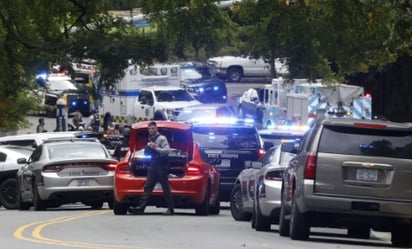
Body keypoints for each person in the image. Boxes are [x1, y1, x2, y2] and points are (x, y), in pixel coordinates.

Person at [128, 121, 174, 215]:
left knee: (165, 187)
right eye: (150, 129)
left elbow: (166, 151)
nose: (151, 130)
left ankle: (171, 209)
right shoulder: (150, 139)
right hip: (153, 165)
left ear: (156, 128)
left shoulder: (161, 138)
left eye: (153, 128)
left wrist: (156, 147)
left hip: (161, 165)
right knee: (148, 187)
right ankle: (140, 208)